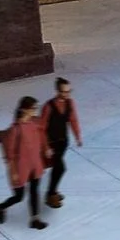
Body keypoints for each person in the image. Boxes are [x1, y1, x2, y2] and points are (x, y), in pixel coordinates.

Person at [0, 97, 49, 229]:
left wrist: (46, 149)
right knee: (19, 196)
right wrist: (13, 171)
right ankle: (1, 207)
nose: (36, 111)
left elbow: (41, 137)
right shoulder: (15, 129)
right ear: (25, 110)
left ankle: (35, 219)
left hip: (34, 164)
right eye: (33, 108)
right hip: (21, 168)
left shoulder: (34, 124)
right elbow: (10, 153)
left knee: (34, 191)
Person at [41, 77, 83, 209]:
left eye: (69, 91)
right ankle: (51, 194)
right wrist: (46, 146)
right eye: (64, 92)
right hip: (51, 143)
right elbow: (42, 128)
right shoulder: (49, 106)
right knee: (60, 168)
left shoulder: (70, 103)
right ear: (58, 91)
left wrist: (77, 136)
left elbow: (73, 120)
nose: (67, 94)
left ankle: (53, 191)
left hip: (63, 141)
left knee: (57, 168)